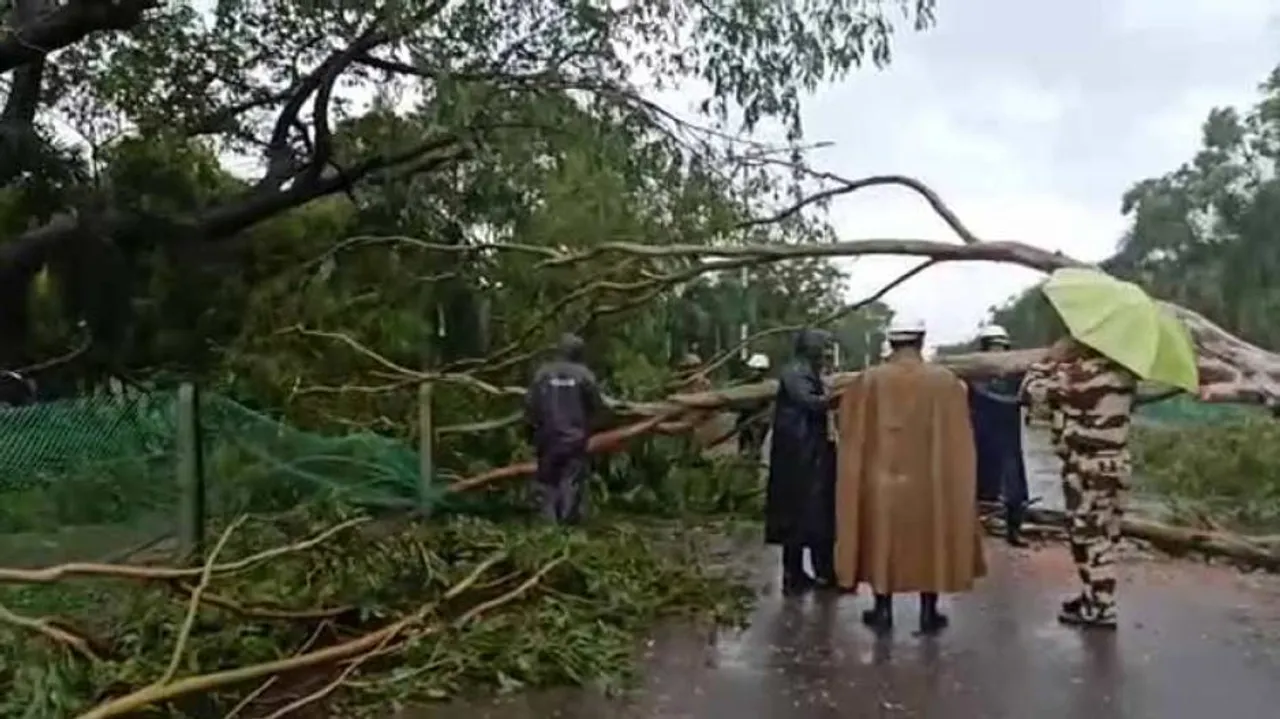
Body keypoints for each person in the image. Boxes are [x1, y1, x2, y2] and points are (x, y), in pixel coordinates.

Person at [833, 315, 985, 634]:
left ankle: (882, 610)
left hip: (881, 479)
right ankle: (928, 613)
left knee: (882, 539)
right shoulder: (945, 381)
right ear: (921, 340)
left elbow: (847, 426)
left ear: (891, 342)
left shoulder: (869, 379)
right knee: (930, 541)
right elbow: (961, 432)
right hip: (930, 481)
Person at [1019, 337, 1136, 630]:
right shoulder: (1125, 375)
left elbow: (1029, 393)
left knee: (1090, 538)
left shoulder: (1074, 377)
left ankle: (1102, 608)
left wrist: (1045, 362)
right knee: (1098, 534)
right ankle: (1091, 595)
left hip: (1087, 467)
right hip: (1117, 464)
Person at [766, 329, 837, 594]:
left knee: (805, 514)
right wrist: (838, 396)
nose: (826, 353)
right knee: (803, 513)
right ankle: (799, 574)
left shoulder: (805, 370)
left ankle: (804, 573)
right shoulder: (796, 372)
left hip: (806, 449)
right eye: (823, 347)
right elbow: (811, 402)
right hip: (798, 453)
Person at [524, 333, 606, 524]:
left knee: (548, 484)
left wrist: (532, 433)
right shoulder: (585, 375)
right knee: (571, 483)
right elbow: (597, 406)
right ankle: (566, 529)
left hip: (547, 438)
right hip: (574, 439)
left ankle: (549, 530)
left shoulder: (542, 374)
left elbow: (529, 405)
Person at [967, 325, 1031, 547]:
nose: (997, 352)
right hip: (979, 438)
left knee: (1014, 490)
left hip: (1007, 440)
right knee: (973, 487)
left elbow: (1029, 396)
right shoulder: (972, 374)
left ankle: (1014, 531)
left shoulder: (1018, 376)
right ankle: (969, 532)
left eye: (1000, 347)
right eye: (993, 347)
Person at [737, 353, 772, 459]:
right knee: (745, 448)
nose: (751, 372)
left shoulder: (764, 387)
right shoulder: (746, 384)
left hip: (758, 422)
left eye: (754, 369)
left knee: (755, 448)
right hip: (746, 420)